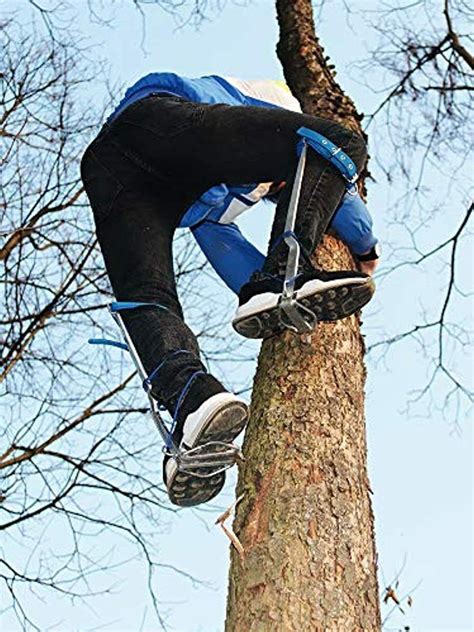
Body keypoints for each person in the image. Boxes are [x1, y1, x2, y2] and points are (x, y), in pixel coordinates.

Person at [80, 73, 380, 507]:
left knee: (146, 294)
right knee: (341, 143)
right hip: (159, 122)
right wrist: (367, 248)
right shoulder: (276, 101)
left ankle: (190, 403)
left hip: (115, 170)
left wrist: (261, 291)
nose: (277, 192)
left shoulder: (221, 202)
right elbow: (336, 183)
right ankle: (288, 272)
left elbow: (223, 244)